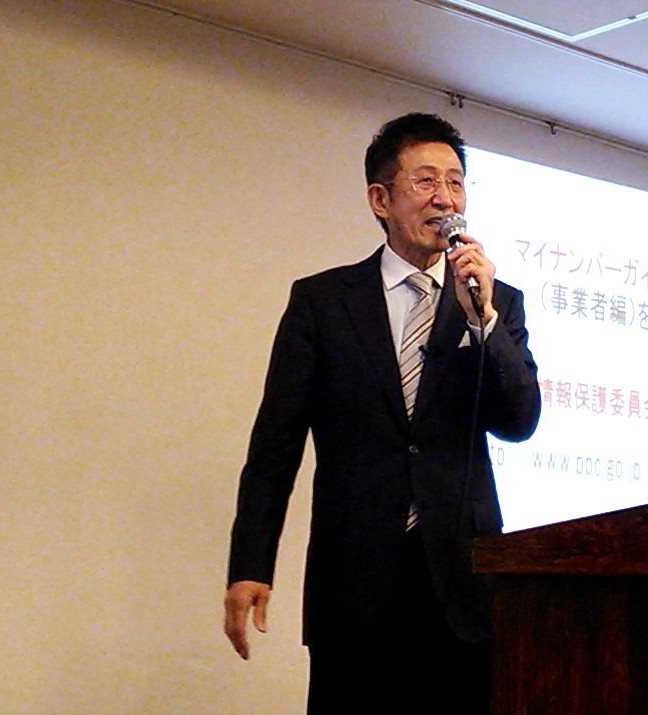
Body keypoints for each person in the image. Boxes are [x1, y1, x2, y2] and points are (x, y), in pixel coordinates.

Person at [223, 112, 542, 713]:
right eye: (426, 181)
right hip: (353, 582)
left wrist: (485, 322)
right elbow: (275, 446)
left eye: (456, 182)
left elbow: (520, 421)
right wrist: (250, 565)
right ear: (380, 199)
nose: (445, 198)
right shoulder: (322, 302)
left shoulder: (498, 302)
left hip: (462, 583)